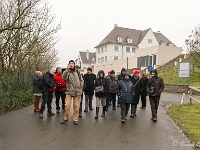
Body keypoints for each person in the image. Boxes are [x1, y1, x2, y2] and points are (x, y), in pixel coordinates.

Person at [61, 60, 83, 125]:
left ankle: (75, 119)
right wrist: (67, 70)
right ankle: (65, 118)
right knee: (67, 105)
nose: (71, 64)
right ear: (68, 64)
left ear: (74, 64)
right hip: (69, 91)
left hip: (77, 91)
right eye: (70, 63)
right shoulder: (67, 72)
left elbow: (81, 80)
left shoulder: (77, 71)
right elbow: (63, 78)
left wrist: (80, 87)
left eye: (72, 63)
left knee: (76, 106)